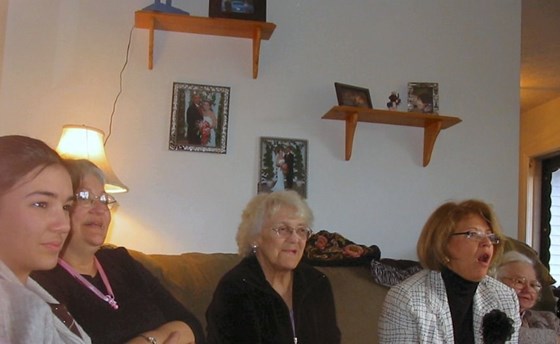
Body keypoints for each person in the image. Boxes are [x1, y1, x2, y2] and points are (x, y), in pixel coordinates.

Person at [32, 159, 205, 344]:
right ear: (62, 206)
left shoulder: (121, 262)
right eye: (84, 196)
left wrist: (146, 341)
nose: (99, 209)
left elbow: (191, 325)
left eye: (104, 199)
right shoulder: (41, 279)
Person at [206, 190, 341, 344]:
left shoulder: (317, 284)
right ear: (255, 237)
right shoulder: (235, 289)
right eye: (282, 229)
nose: (295, 238)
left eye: (301, 230)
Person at [378, 199, 521, 344]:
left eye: (490, 236)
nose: (487, 243)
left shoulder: (504, 297)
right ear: (443, 243)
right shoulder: (407, 300)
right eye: (473, 234)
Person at [0, 135, 91, 343]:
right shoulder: (13, 312)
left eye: (66, 207)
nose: (64, 225)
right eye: (41, 204)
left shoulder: (34, 295)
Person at [495, 250, 560, 343]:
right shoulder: (484, 314)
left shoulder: (549, 319)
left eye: (533, 285)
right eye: (519, 281)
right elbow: (504, 336)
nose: (528, 290)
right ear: (496, 281)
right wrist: (554, 339)